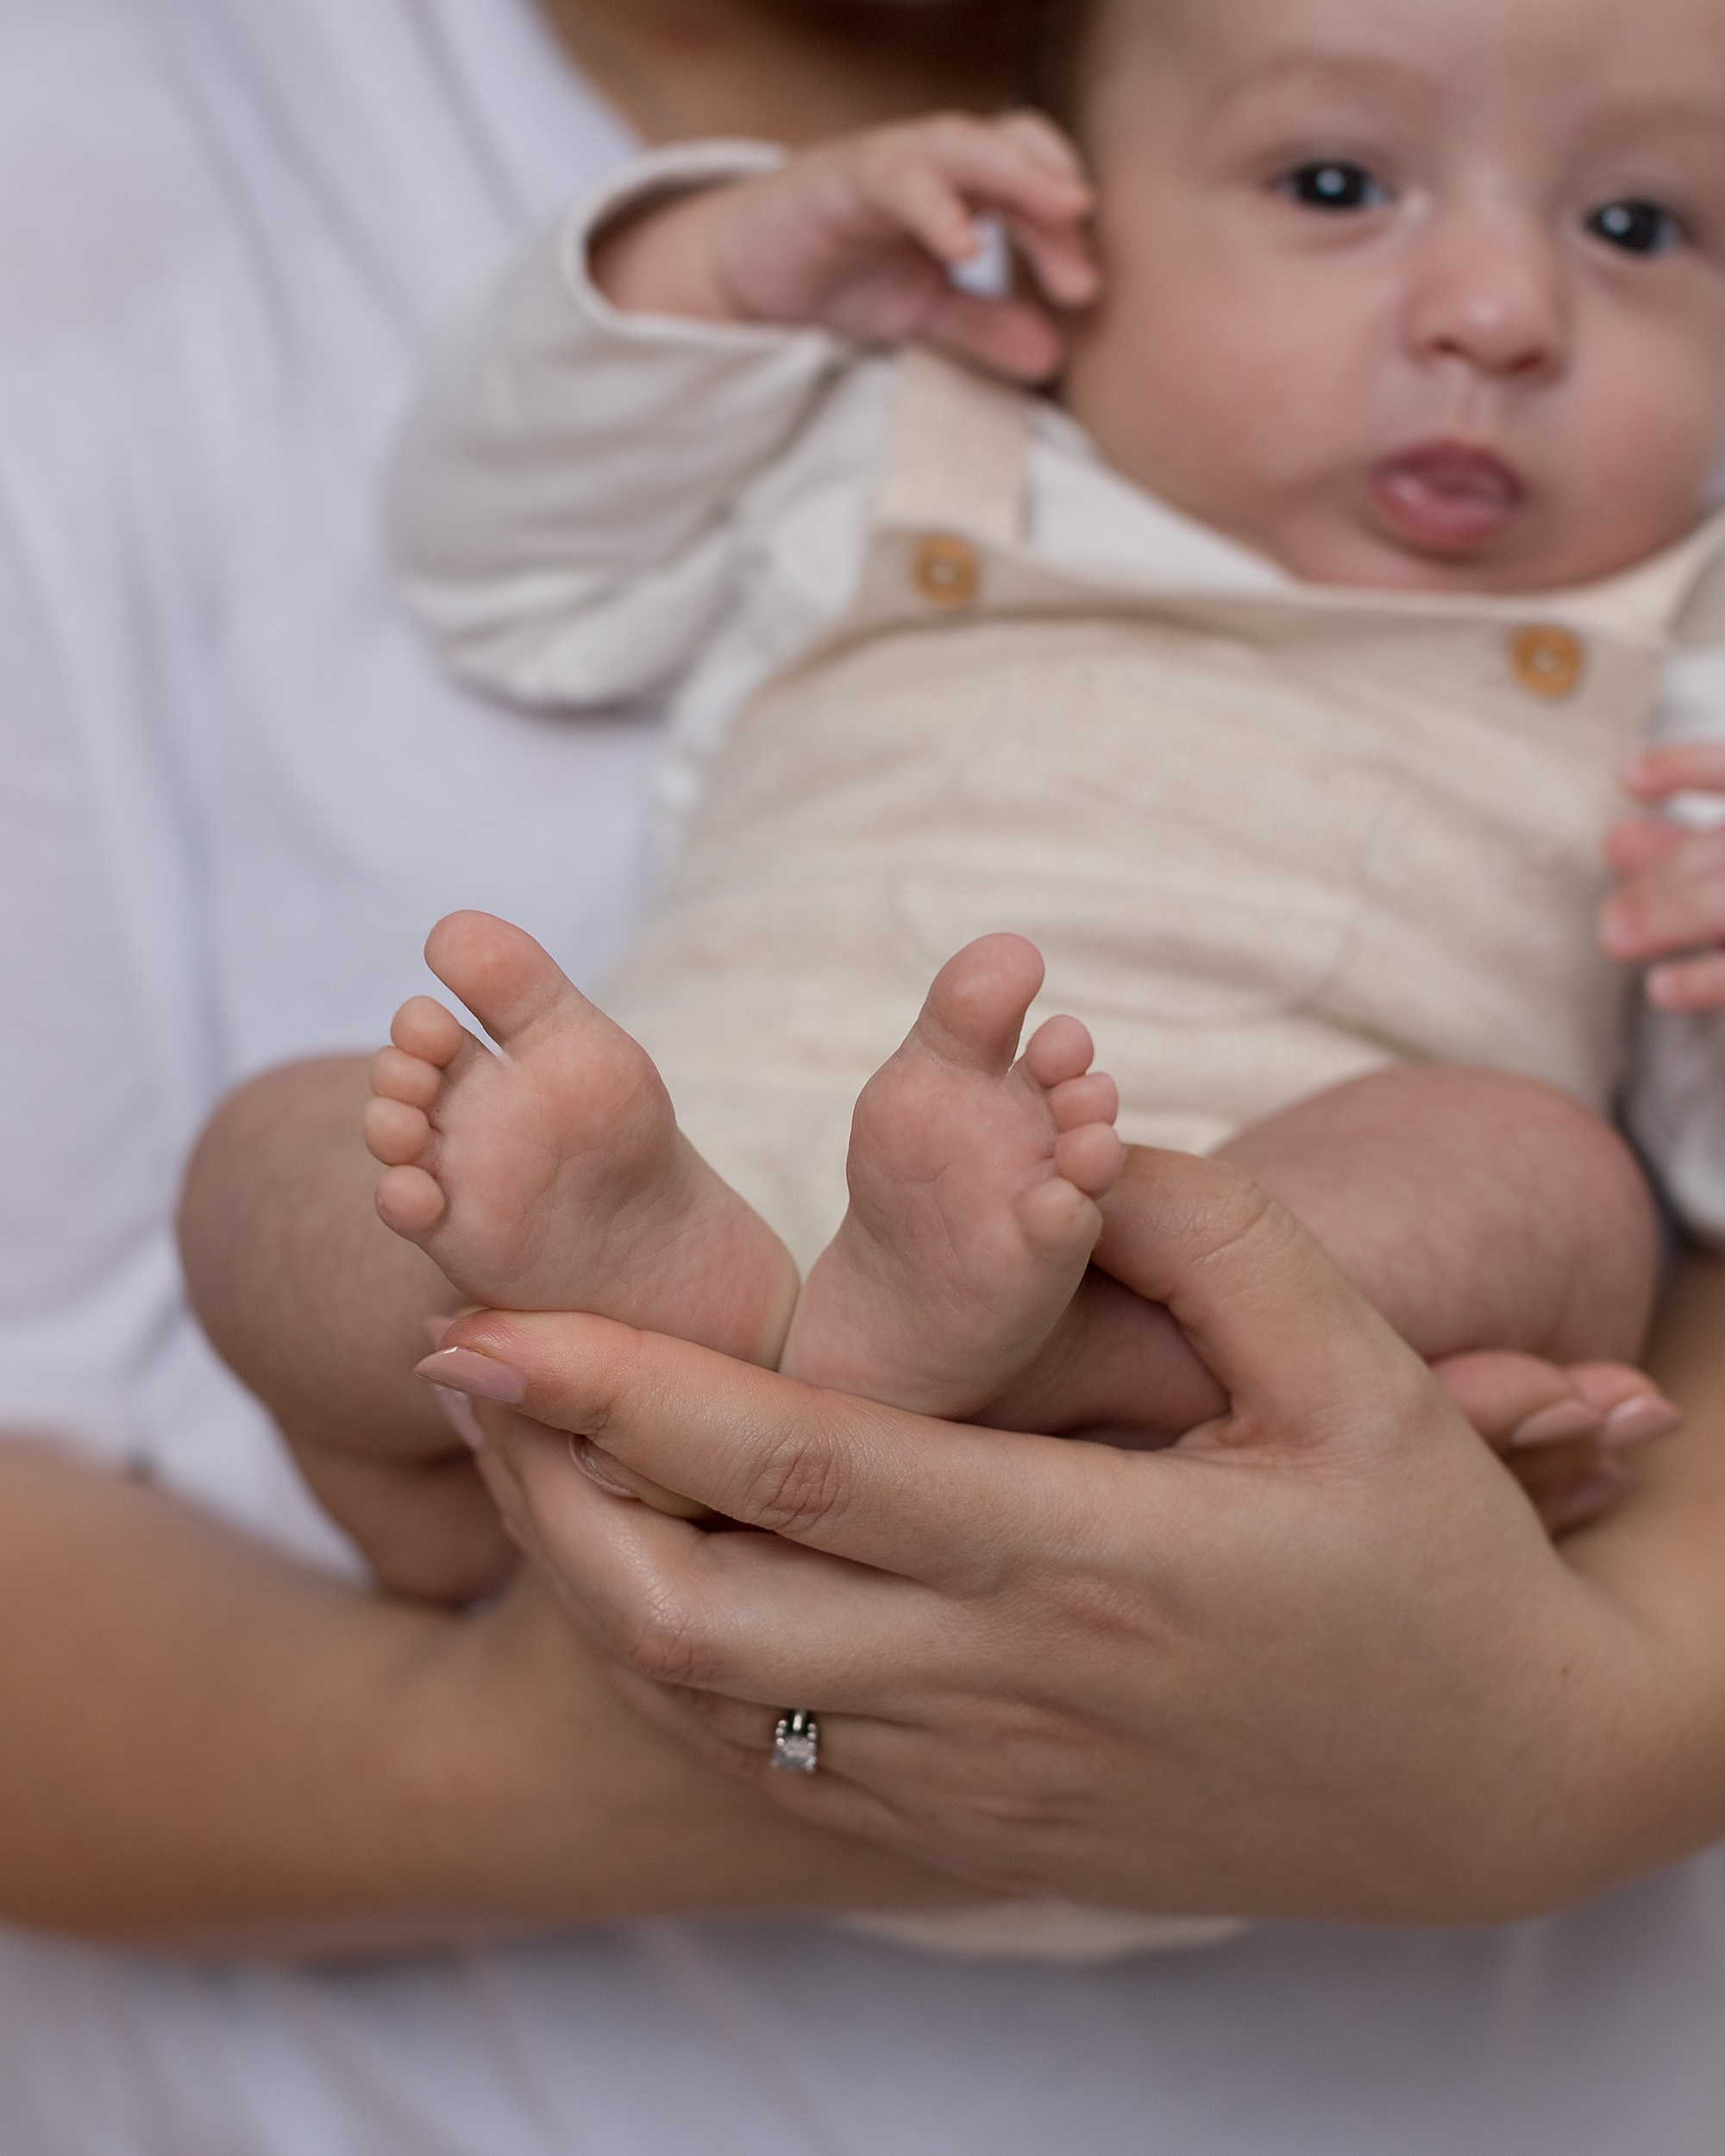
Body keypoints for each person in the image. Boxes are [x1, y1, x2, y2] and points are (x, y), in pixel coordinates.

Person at [9, 1, 1725, 2151]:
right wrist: (718, 277)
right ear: (1069, 219)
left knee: (1535, 1172)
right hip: (658, 1310)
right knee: (292, 1146)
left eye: (1640, 226)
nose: (1497, 312)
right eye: (1332, 186)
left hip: (1251, 1529)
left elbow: (1698, 1159)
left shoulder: (1688, 639)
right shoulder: (900, 431)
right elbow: (509, 566)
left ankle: (1020, 1368)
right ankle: (636, 1358)